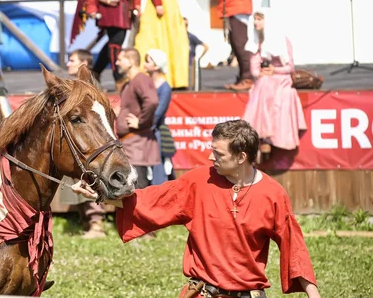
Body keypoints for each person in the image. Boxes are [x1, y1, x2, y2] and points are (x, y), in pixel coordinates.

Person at [73, 119, 321, 298]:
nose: (211, 158)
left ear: (241, 157)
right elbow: (150, 200)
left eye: (218, 153)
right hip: (202, 293)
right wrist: (101, 195)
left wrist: (313, 294)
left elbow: (294, 247)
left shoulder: (273, 195)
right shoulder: (199, 180)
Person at [242, 8, 306, 160]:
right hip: (267, 79)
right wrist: (261, 72)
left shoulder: (282, 40)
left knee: (270, 91)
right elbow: (254, 70)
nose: (256, 22)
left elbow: (290, 67)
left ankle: (267, 138)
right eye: (255, 19)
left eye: (260, 19)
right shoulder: (257, 42)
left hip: (281, 78)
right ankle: (261, 137)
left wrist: (274, 70)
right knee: (261, 87)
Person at [60, 49, 108, 239]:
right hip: (78, 140)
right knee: (78, 180)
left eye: (72, 60)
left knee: (92, 179)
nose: (68, 64)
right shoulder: (76, 84)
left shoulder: (90, 85)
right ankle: (86, 221)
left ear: (84, 65)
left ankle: (97, 225)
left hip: (91, 141)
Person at [115, 48, 160, 189]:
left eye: (120, 59)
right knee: (128, 190)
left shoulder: (141, 79)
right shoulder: (129, 83)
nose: (116, 63)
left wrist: (141, 122)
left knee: (139, 190)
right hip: (129, 146)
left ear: (131, 62)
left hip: (138, 147)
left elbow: (152, 101)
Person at [144, 49, 174, 184]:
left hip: (156, 130)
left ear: (156, 65)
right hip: (144, 128)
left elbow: (158, 113)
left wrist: (141, 124)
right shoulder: (146, 83)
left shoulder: (164, 87)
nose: (144, 64)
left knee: (158, 165)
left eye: (147, 61)